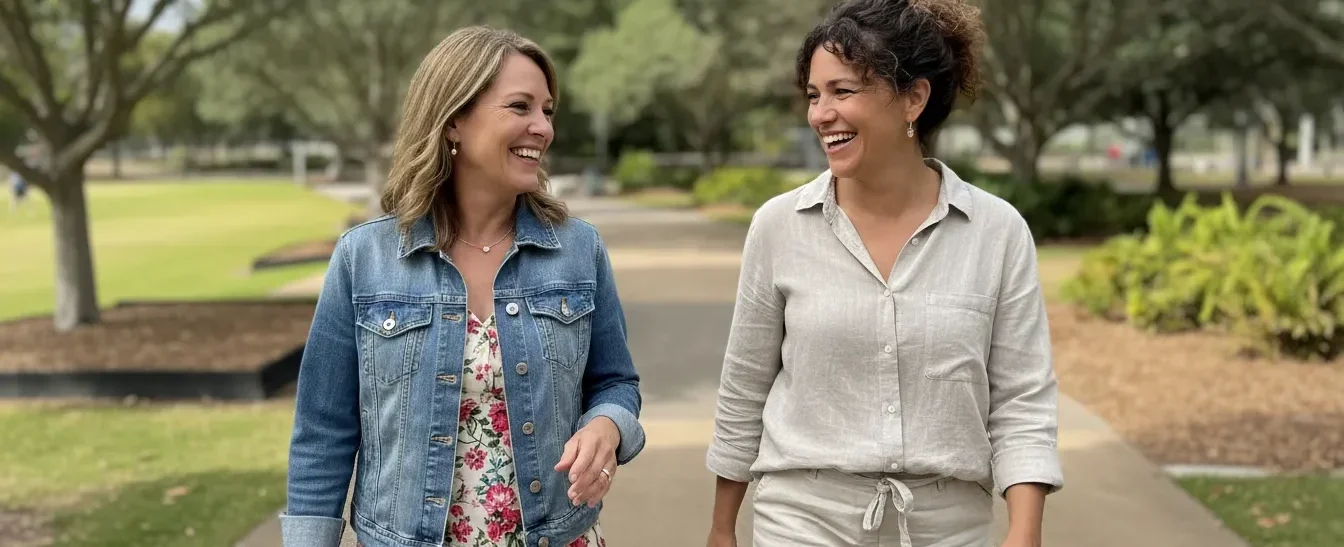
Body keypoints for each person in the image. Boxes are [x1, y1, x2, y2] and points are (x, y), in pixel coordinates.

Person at [704, 1, 1063, 546]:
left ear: (913, 99)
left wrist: (1024, 534)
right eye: (813, 95)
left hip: (950, 526)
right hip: (803, 519)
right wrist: (721, 529)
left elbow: (1021, 401)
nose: (820, 113)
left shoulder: (997, 231)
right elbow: (744, 388)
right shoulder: (779, 227)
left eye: (843, 91)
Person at [283, 26, 644, 547]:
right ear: (453, 119)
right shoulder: (364, 259)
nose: (542, 127)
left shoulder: (578, 250)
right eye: (520, 107)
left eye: (547, 111)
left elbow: (616, 383)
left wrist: (608, 427)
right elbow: (323, 432)